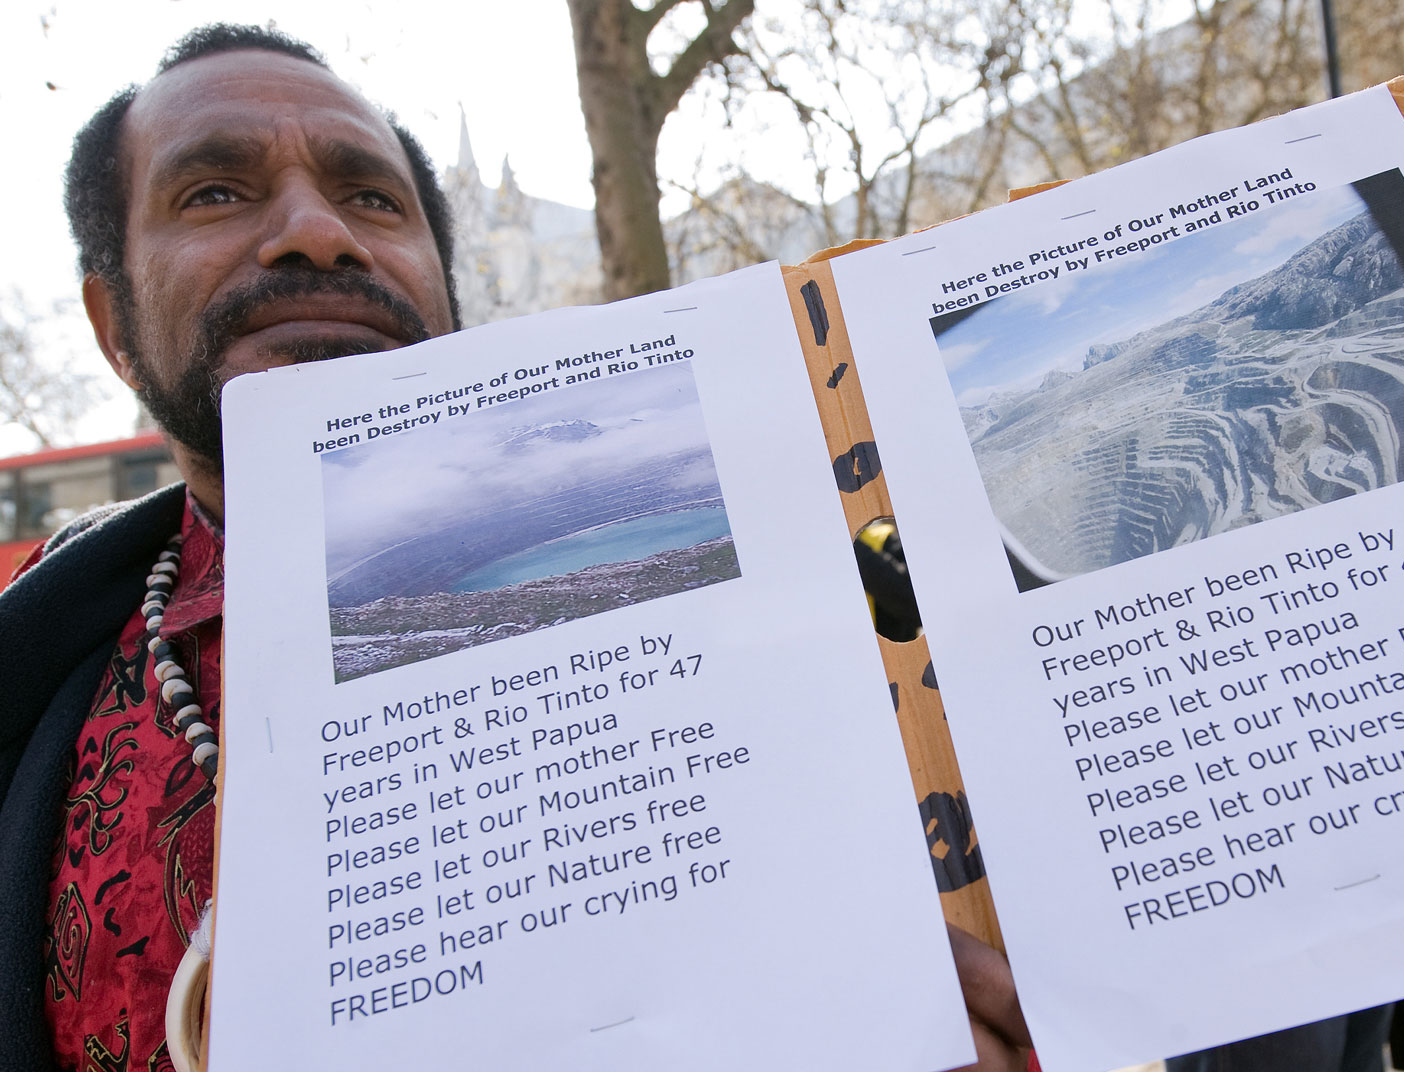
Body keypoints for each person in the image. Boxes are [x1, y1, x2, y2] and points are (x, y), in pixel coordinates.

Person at [0, 24, 1030, 1072]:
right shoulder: (37, 703)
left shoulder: (857, 622)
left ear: (446, 293)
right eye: (215, 192)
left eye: (373, 199)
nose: (317, 233)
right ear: (112, 322)